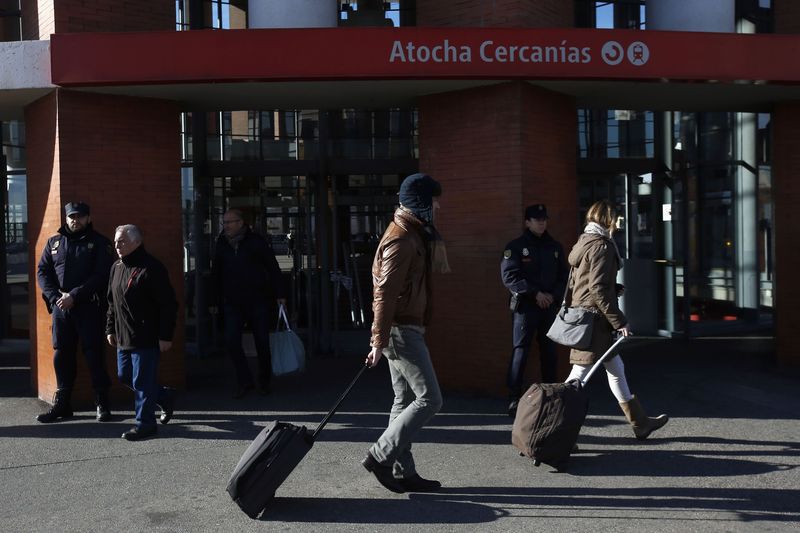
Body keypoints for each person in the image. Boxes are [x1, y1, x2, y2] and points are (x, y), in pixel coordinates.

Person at [362, 173, 446, 494]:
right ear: (421, 202)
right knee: (430, 398)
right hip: (401, 331)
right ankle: (381, 456)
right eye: (434, 201)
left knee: (404, 399)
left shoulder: (414, 233)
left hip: (405, 328)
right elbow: (384, 293)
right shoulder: (401, 238)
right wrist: (378, 341)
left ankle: (403, 471)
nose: (438, 207)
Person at [564, 200, 668, 440]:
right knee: (577, 377)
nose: (618, 224)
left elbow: (578, 283)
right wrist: (619, 321)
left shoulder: (584, 242)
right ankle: (558, 428)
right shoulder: (602, 246)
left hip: (587, 318)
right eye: (616, 219)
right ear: (607, 219)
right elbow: (598, 288)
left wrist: (613, 287)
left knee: (616, 369)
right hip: (594, 322)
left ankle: (640, 422)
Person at [35, 201, 114, 423]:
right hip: (61, 308)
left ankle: (102, 403)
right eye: (71, 216)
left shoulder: (99, 243)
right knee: (62, 354)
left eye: (79, 217)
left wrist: (75, 296)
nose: (74, 220)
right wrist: (55, 297)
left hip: (88, 306)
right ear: (66, 218)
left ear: (88, 218)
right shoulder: (54, 243)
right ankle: (63, 404)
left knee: (94, 354)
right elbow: (42, 272)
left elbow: (101, 275)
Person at [106, 225, 177, 441]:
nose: (117, 245)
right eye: (116, 241)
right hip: (123, 336)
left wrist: (165, 335)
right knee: (125, 376)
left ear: (137, 242)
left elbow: (168, 304)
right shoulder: (117, 267)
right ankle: (164, 396)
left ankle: (145, 425)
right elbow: (112, 301)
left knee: (142, 382)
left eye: (122, 241)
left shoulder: (151, 268)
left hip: (146, 336)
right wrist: (110, 328)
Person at [501, 204, 568, 417]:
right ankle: (513, 397)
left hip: (549, 308)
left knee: (550, 353)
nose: (541, 222)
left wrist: (551, 296)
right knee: (521, 350)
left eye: (544, 219)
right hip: (526, 308)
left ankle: (551, 396)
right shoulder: (516, 247)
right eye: (536, 219)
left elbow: (564, 277)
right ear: (527, 222)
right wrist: (535, 293)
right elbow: (510, 277)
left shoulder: (555, 247)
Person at [211, 209, 286, 398]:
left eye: (229, 222)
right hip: (232, 302)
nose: (226, 226)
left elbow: (273, 267)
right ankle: (245, 381)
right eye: (224, 222)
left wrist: (280, 294)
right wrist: (213, 299)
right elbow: (216, 273)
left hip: (257, 299)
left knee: (262, 342)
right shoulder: (221, 244)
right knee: (231, 341)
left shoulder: (256, 242)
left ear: (240, 223)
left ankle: (264, 381)